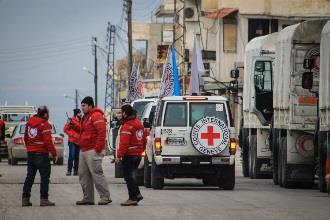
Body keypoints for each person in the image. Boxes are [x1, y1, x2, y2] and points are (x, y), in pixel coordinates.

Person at [75, 96, 111, 206]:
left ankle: (105, 197)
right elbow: (85, 131)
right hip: (84, 149)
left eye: (84, 105)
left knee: (96, 173)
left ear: (90, 106)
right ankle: (88, 198)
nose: (82, 108)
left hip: (93, 150)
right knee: (83, 175)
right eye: (81, 106)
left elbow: (101, 132)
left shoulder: (96, 115)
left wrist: (98, 148)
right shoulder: (86, 117)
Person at [22, 106, 57, 207]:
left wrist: (30, 148)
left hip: (31, 154)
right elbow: (48, 141)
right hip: (42, 154)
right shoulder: (45, 124)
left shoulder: (29, 123)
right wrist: (54, 154)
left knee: (29, 177)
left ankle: (25, 199)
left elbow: (26, 137)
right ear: (45, 114)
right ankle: (44, 199)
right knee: (45, 177)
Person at [116, 104, 146, 206]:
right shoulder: (139, 124)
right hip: (138, 155)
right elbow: (144, 139)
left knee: (128, 177)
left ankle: (132, 198)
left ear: (125, 113)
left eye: (121, 112)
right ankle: (137, 194)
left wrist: (118, 156)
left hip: (129, 155)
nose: (120, 114)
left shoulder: (127, 126)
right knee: (130, 176)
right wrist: (142, 150)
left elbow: (124, 143)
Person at [63, 109, 82, 176]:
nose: (81, 114)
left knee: (77, 157)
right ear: (76, 114)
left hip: (79, 142)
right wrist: (72, 134)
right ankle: (69, 170)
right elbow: (65, 129)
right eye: (80, 113)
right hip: (72, 141)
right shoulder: (71, 120)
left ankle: (76, 171)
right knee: (71, 156)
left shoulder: (81, 121)